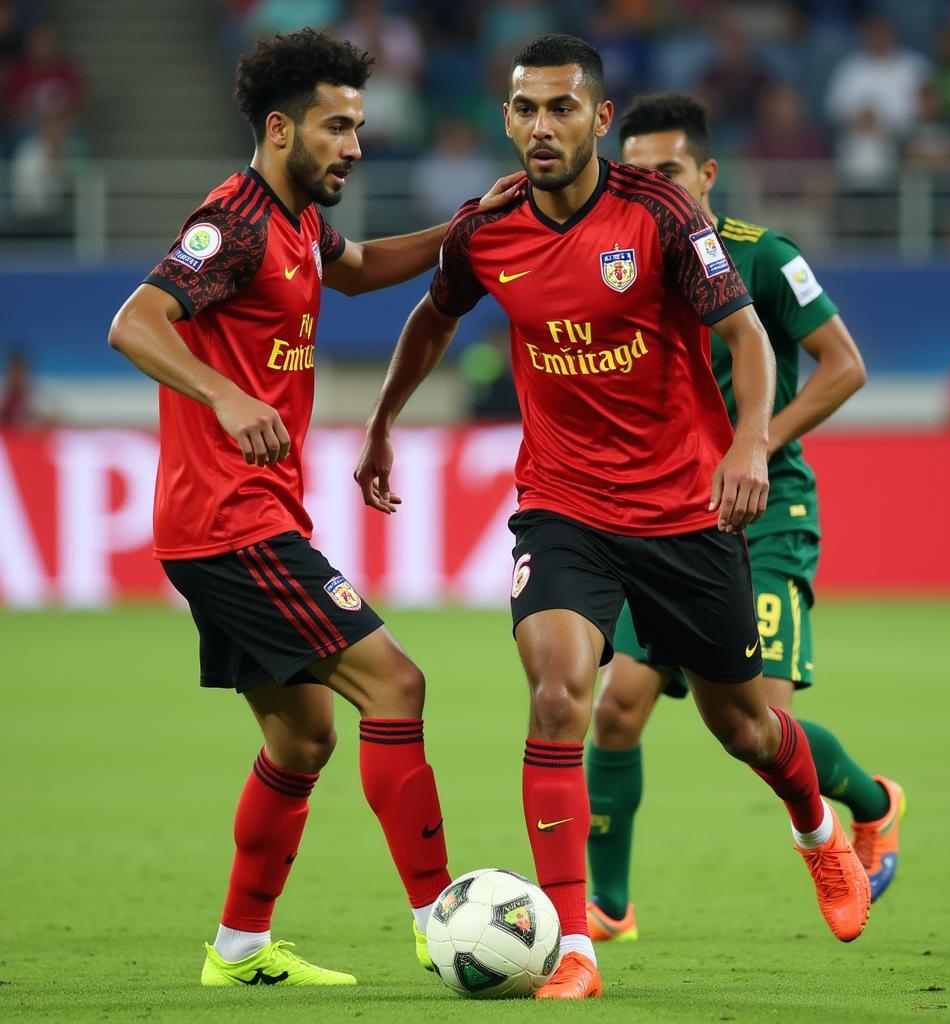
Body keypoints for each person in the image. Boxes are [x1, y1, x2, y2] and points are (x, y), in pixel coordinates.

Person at [355, 34, 871, 1002]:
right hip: (562, 507)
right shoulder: (485, 228)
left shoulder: (663, 215)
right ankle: (575, 948)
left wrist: (750, 442)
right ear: (506, 119)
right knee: (559, 696)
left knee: (748, 727)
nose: (539, 127)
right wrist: (382, 425)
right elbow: (430, 318)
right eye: (523, 109)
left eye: (560, 108)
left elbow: (744, 336)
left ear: (598, 117)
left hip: (683, 513)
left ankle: (819, 832)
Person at [107, 28, 522, 988]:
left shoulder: (296, 223)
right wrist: (226, 393)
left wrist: (466, 229)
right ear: (281, 126)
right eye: (338, 127)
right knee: (397, 687)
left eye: (360, 126)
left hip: (247, 519)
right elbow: (136, 320)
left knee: (304, 737)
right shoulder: (235, 221)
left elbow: (362, 263)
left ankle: (240, 950)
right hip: (229, 521)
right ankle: (441, 922)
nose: (355, 146)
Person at [583, 93, 906, 947]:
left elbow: (844, 366)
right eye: (637, 172)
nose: (652, 186)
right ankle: (608, 906)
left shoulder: (762, 258)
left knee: (757, 721)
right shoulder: (617, 259)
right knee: (616, 707)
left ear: (708, 174)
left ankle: (873, 804)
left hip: (765, 513)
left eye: (670, 172)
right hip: (667, 516)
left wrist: (754, 444)